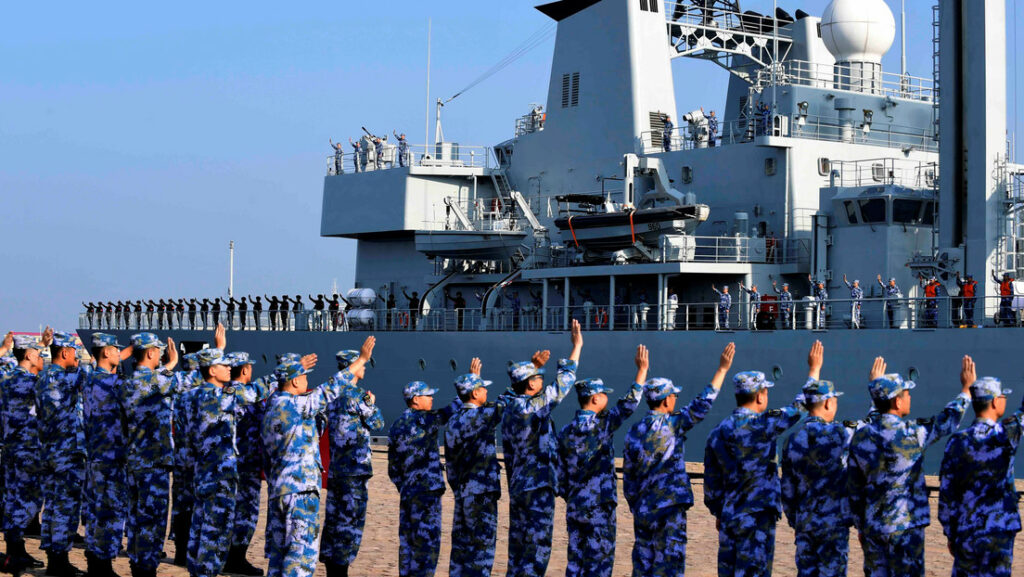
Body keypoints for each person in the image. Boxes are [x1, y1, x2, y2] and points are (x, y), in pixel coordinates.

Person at [261, 336, 374, 577]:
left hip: (279, 490)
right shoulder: (293, 405)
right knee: (299, 559)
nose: (307, 382)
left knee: (279, 558)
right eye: (303, 377)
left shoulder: (272, 404)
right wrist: (361, 360)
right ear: (293, 381)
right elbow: (330, 388)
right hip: (300, 493)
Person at [847, 357, 972, 576]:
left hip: (873, 527)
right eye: (906, 392)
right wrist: (967, 390)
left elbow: (854, 488)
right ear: (897, 402)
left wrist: (860, 524)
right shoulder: (912, 434)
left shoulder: (861, 436)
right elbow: (948, 420)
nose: (909, 396)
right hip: (905, 528)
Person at [704, 341, 819, 576]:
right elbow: (801, 406)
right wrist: (814, 370)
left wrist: (720, 512)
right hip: (757, 518)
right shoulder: (764, 424)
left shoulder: (717, 432)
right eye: (765, 391)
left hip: (730, 516)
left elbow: (711, 483)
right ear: (759, 397)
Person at [623, 343, 734, 577]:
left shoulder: (633, 432)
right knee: (670, 567)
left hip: (643, 510)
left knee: (643, 566)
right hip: (669, 510)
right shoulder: (673, 425)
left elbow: (629, 477)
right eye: (674, 395)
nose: (676, 398)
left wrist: (638, 505)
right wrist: (722, 369)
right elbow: (702, 404)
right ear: (665, 401)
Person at [182, 349, 285, 577]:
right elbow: (254, 392)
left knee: (200, 528)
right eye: (223, 365)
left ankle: (197, 570)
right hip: (221, 475)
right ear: (212, 370)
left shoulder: (189, 396)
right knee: (215, 531)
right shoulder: (223, 396)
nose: (228, 368)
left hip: (202, 472)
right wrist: (284, 371)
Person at [781, 356, 885, 577]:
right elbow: (873, 426)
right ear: (828, 403)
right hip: (833, 525)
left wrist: (796, 519)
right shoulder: (839, 433)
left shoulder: (792, 440)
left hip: (805, 524)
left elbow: (787, 490)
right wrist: (876, 388)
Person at [121, 329, 212, 577]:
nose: (161, 355)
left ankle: (137, 564)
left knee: (138, 519)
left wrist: (168, 366)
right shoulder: (153, 380)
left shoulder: (130, 381)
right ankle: (145, 568)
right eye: (158, 351)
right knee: (153, 521)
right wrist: (175, 362)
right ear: (150, 352)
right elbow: (192, 380)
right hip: (154, 463)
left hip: (136, 461)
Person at [558, 345, 650, 577]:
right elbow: (627, 406)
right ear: (595, 397)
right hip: (599, 506)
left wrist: (571, 493)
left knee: (576, 562)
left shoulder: (565, 432)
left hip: (576, 505)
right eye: (604, 394)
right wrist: (642, 371)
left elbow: (557, 472)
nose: (607, 398)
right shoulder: (602, 425)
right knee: (599, 564)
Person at [500, 319, 582, 577]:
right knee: (537, 549)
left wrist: (531, 367)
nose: (540, 381)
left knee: (518, 548)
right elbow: (563, 385)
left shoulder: (509, 408)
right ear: (532, 385)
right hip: (538, 487)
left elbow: (512, 392)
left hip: (519, 485)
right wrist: (577, 346)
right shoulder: (532, 409)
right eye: (537, 378)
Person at [940, 372, 1024, 577]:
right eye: (1002, 396)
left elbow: (947, 494)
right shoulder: (1005, 435)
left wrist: (951, 534)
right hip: (998, 533)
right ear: (995, 402)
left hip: (966, 531)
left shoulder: (957, 442)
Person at [387, 379, 461, 577]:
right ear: (416, 399)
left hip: (408, 493)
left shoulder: (396, 426)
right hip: (427, 494)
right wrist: (469, 383)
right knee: (427, 546)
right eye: (428, 396)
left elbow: (393, 469)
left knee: (408, 544)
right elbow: (451, 410)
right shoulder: (425, 419)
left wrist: (405, 486)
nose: (432, 399)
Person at [320, 349, 384, 576]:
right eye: (361, 364)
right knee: (350, 524)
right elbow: (377, 423)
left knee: (334, 522)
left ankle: (331, 570)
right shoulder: (357, 396)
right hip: (355, 471)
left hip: (337, 469)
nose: (364, 367)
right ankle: (340, 572)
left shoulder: (331, 395)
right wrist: (372, 402)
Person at [34, 331, 91, 577]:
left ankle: (56, 558)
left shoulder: (45, 376)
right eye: (75, 352)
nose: (77, 357)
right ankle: (58, 560)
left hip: (52, 451)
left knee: (55, 507)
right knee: (64, 508)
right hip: (65, 453)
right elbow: (92, 378)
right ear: (65, 352)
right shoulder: (64, 378)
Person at [444, 364, 506, 577]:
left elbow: (450, 464)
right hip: (482, 495)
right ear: (475, 393)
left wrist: (460, 488)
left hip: (462, 492)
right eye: (483, 388)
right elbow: (506, 402)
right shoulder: (484, 416)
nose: (487, 391)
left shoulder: (452, 422)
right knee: (481, 551)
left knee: (460, 550)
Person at [82, 333, 133, 577]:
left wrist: (131, 350)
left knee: (95, 513)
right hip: (111, 459)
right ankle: (102, 567)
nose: (118, 354)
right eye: (115, 350)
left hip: (95, 457)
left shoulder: (90, 379)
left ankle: (95, 565)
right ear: (105, 352)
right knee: (110, 513)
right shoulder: (114, 384)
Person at [2, 331, 53, 574]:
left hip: (11, 448)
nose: (43, 358)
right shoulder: (31, 382)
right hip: (28, 450)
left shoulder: (8, 378)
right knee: (29, 501)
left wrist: (41, 344)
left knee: (13, 499)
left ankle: (15, 550)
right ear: (30, 355)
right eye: (40, 354)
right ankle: (14, 552)